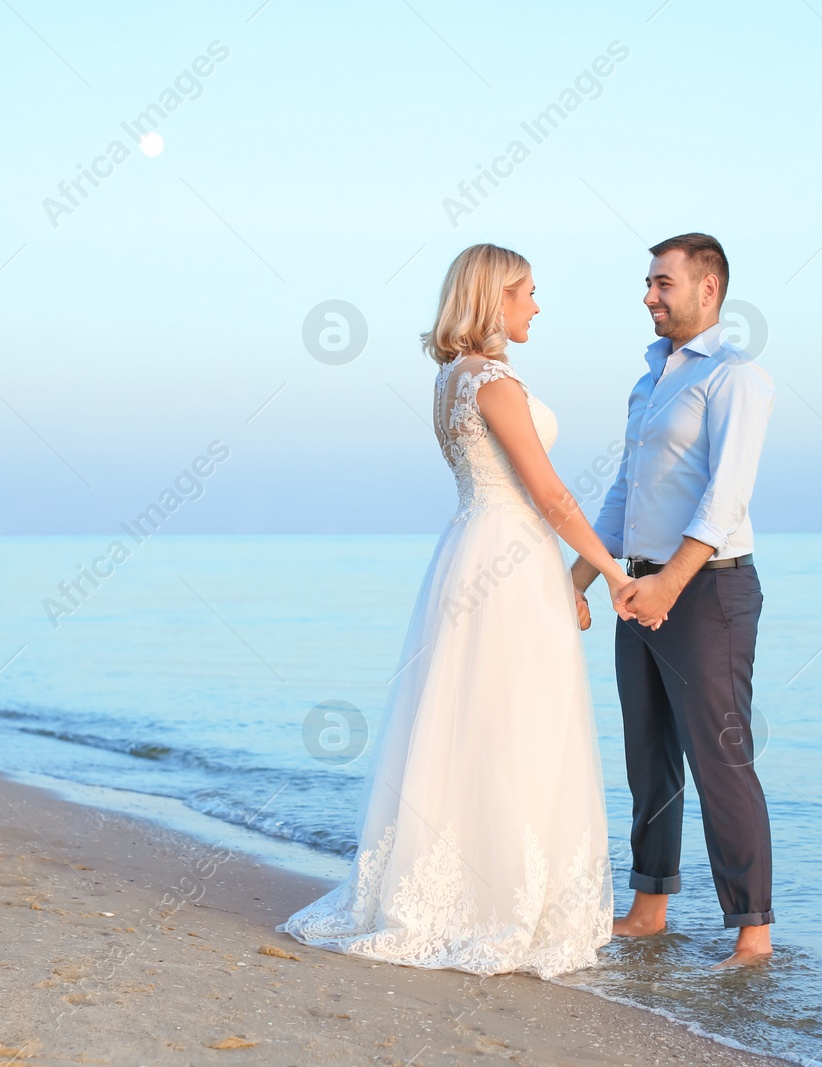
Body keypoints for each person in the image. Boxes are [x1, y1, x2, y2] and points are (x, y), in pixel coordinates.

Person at [280, 243, 635, 978]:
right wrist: (611, 573)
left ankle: (472, 881)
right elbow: (553, 495)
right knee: (514, 725)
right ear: (493, 298)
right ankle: (500, 900)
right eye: (529, 291)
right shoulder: (494, 383)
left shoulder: (450, 379)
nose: (537, 305)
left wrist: (568, 577)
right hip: (508, 560)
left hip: (476, 550)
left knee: (473, 720)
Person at [571, 233, 778, 969]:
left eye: (663, 283)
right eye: (649, 283)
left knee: (720, 755)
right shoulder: (650, 380)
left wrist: (669, 582)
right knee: (648, 755)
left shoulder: (735, 376)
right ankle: (649, 907)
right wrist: (585, 574)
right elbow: (626, 490)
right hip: (641, 584)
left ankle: (752, 932)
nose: (649, 295)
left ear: (708, 289)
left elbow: (727, 496)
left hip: (709, 587)